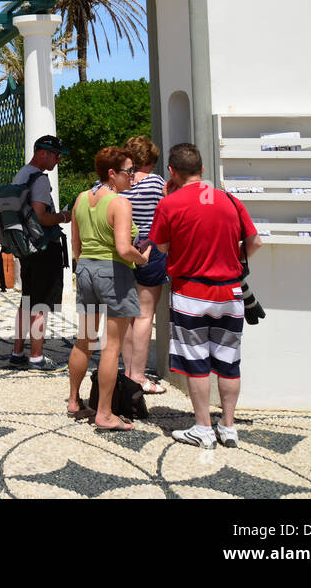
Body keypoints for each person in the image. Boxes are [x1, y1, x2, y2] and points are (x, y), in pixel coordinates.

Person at [149, 143, 263, 449]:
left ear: (171, 172)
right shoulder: (229, 200)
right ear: (202, 169)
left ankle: (202, 427)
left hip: (190, 292)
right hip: (230, 292)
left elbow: (160, 247)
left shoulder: (169, 204)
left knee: (196, 361)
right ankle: (228, 426)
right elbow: (254, 242)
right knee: (229, 361)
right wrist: (234, 259)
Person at [66, 147, 152, 429]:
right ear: (112, 174)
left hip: (87, 269)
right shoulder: (119, 203)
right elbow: (123, 248)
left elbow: (75, 247)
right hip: (114, 273)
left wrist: (86, 268)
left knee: (85, 340)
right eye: (128, 171)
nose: (133, 176)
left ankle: (73, 400)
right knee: (111, 346)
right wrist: (142, 258)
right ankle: (104, 413)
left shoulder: (80, 199)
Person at [8, 135, 72, 372]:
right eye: (56, 155)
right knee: (40, 304)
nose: (58, 160)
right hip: (44, 248)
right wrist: (65, 217)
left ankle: (17, 352)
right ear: (42, 153)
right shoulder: (40, 180)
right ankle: (36, 356)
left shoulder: (21, 174)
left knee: (27, 299)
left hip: (26, 248)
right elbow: (41, 216)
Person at [118, 136, 169, 394]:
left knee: (127, 317)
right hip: (151, 250)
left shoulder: (118, 183)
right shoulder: (156, 183)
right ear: (147, 161)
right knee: (145, 315)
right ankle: (138, 375)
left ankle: (128, 371)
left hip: (123, 251)